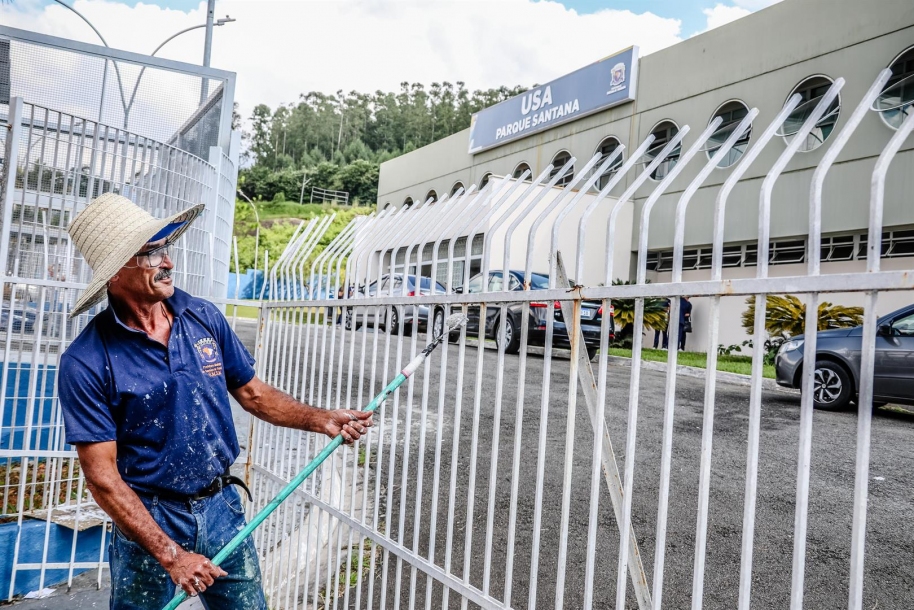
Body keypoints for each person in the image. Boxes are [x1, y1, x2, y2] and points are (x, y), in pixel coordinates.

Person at [57, 194, 373, 610]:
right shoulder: (86, 360)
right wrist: (171, 555)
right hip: (150, 519)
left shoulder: (203, 316)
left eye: (165, 248)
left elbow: (254, 395)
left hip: (222, 505)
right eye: (151, 254)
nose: (168, 262)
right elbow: (103, 478)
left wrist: (320, 419)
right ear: (116, 272)